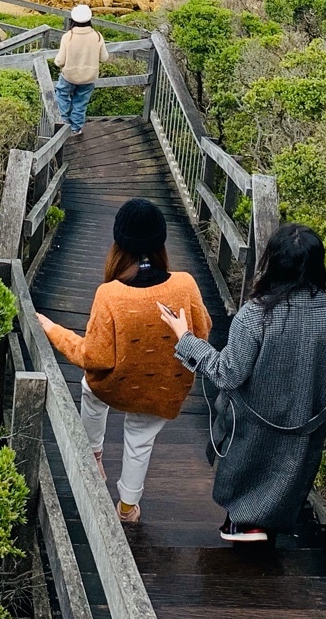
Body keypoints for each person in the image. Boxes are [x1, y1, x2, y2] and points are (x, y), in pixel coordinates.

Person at [157, 224, 326, 544]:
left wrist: (186, 338)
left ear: (274, 263)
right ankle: (263, 525)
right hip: (304, 423)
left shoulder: (256, 314)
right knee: (286, 474)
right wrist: (311, 383)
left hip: (254, 422)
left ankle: (243, 523)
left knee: (249, 466)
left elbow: (228, 374)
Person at [38, 200, 210, 524]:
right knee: (140, 439)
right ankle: (128, 509)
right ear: (161, 243)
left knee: (90, 387)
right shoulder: (186, 284)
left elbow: (94, 357)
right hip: (163, 389)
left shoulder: (110, 294)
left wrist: (53, 329)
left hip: (117, 387)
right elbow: (202, 332)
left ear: (119, 245)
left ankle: (94, 453)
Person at [50, 4, 105, 134]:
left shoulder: (68, 36)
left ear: (73, 19)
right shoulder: (97, 36)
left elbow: (59, 61)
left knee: (62, 96)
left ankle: (62, 125)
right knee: (80, 103)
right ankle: (76, 129)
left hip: (69, 75)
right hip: (89, 77)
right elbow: (104, 57)